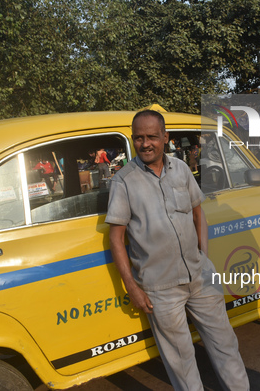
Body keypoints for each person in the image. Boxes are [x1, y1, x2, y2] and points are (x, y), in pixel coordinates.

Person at [106, 110, 249, 391]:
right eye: (138, 138)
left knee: (226, 346)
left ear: (165, 138)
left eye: (152, 137)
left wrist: (204, 258)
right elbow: (116, 238)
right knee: (182, 364)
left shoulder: (182, 169)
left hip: (199, 278)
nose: (145, 144)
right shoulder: (123, 181)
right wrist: (131, 287)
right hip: (161, 288)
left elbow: (199, 214)